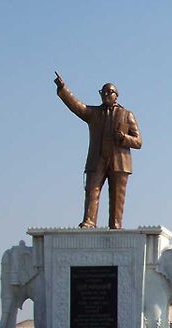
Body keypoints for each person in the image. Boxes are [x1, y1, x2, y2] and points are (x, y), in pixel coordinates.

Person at [54, 72, 142, 229]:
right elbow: (77, 106)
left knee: (117, 196)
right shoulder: (94, 114)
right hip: (98, 158)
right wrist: (63, 88)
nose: (106, 94)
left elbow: (138, 141)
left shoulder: (127, 115)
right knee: (92, 190)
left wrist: (124, 138)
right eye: (104, 92)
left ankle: (115, 225)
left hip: (119, 161)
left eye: (110, 92)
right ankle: (89, 221)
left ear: (117, 95)